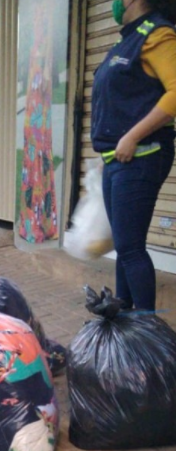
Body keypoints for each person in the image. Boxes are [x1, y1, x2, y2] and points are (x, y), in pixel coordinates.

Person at [91, 0, 176, 311]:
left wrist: (131, 136)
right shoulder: (126, 40)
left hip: (142, 154)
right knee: (123, 246)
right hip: (116, 158)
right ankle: (123, 317)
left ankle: (146, 328)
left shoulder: (158, 34)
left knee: (130, 247)